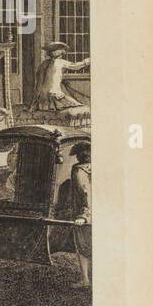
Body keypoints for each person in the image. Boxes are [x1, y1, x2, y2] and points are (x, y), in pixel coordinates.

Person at [33, 41, 90, 113]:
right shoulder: (58, 62)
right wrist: (87, 61)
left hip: (45, 95)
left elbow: (39, 82)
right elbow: (75, 66)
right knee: (79, 107)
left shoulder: (45, 63)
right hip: (53, 94)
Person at [69, 141, 92, 288]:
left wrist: (84, 215)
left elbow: (85, 192)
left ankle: (85, 281)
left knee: (83, 246)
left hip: (85, 214)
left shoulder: (78, 171)